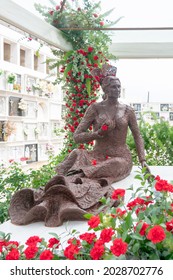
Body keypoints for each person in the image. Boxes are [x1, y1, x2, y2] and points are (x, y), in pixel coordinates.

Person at [9, 64, 150, 227]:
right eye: (113, 86)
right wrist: (96, 135)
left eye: (118, 86)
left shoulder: (127, 110)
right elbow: (77, 136)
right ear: (105, 88)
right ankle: (60, 192)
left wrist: (143, 160)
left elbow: (137, 135)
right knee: (77, 153)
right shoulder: (95, 108)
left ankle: (78, 187)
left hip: (119, 158)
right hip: (96, 156)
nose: (117, 89)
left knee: (114, 164)